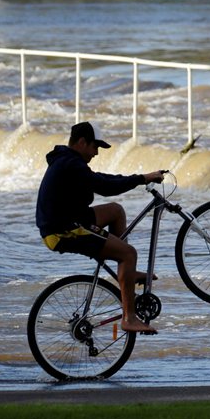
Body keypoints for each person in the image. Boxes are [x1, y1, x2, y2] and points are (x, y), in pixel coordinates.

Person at [35, 121, 165, 334]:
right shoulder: (70, 164)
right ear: (82, 142)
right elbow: (103, 186)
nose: (96, 153)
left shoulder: (67, 161)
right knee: (129, 254)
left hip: (71, 218)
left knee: (116, 211)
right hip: (63, 230)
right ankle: (129, 318)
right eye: (95, 147)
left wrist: (138, 178)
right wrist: (142, 179)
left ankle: (126, 275)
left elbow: (100, 179)